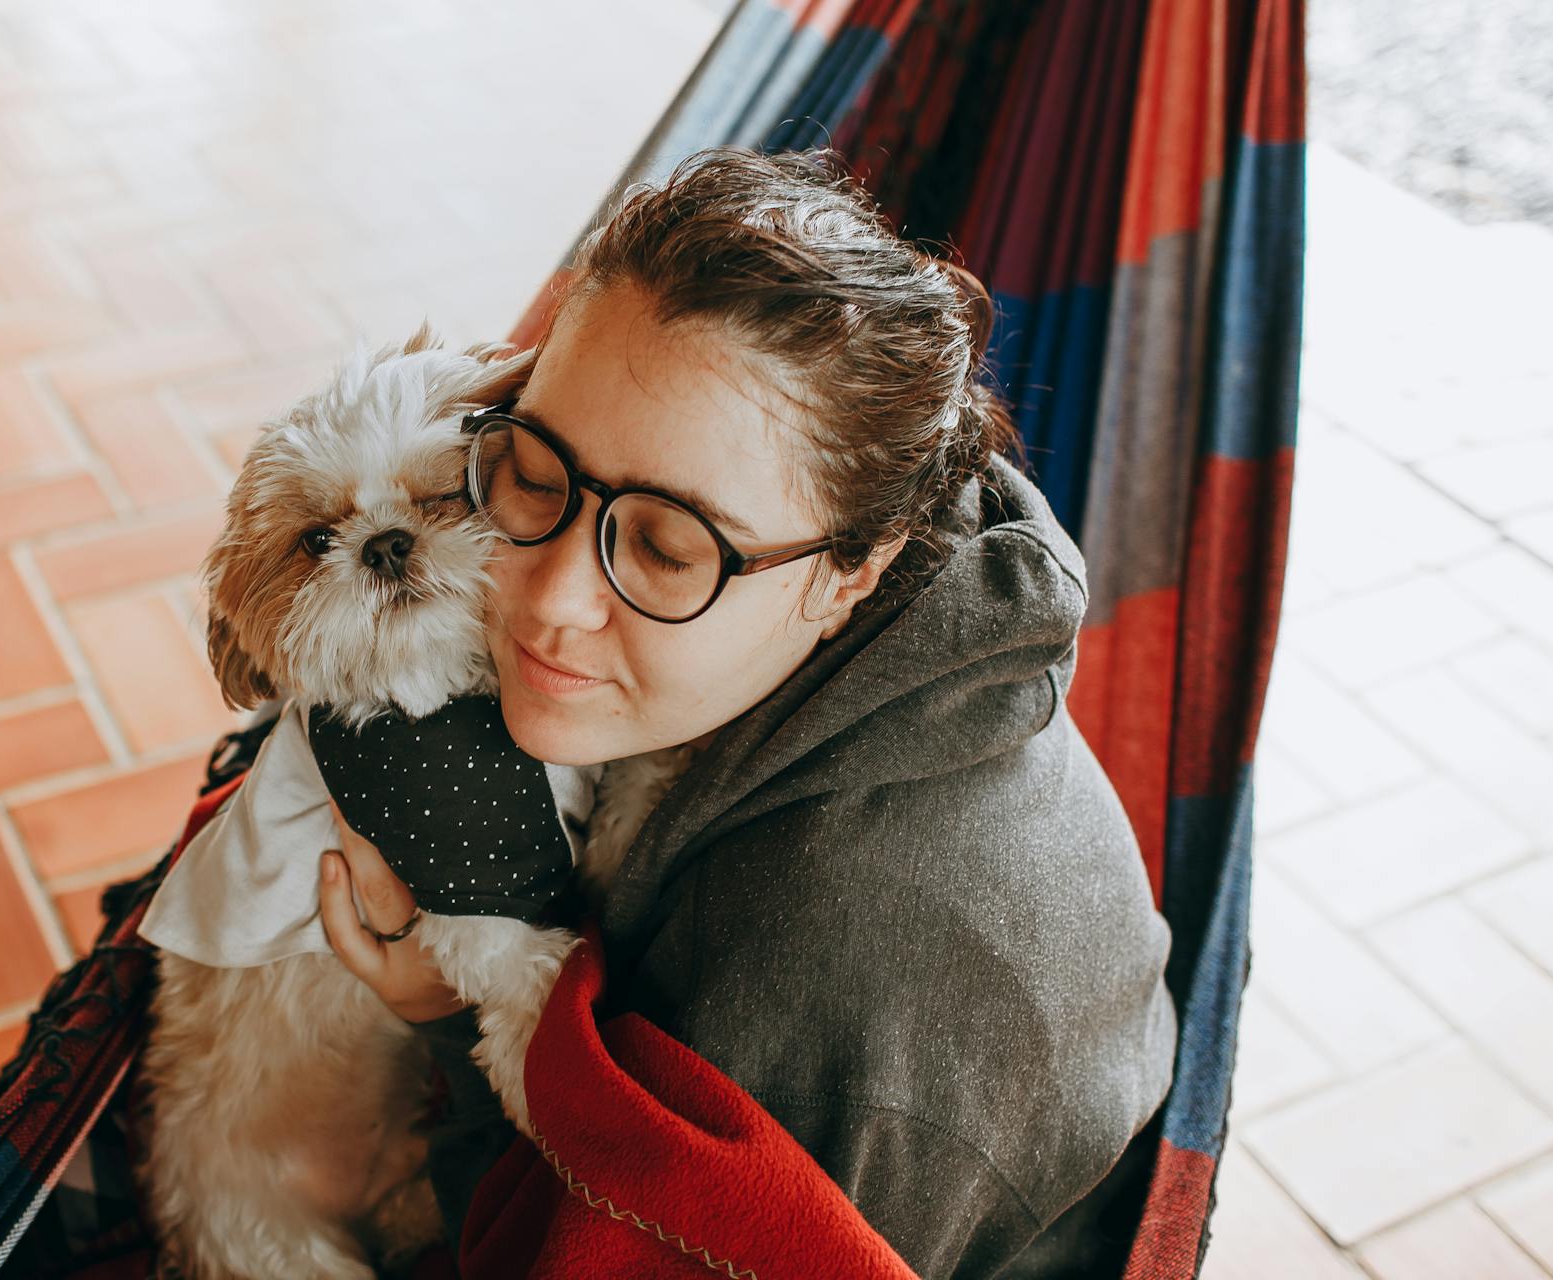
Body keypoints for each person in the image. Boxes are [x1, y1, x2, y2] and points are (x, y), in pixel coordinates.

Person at [314, 145, 1178, 1279]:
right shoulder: (882, 573)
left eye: (670, 549)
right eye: (531, 470)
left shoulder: (829, 1005)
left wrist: (451, 1023)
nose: (548, 600)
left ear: (855, 570)